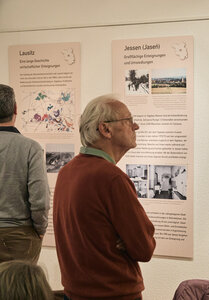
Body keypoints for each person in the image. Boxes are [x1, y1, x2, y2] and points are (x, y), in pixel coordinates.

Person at [53, 94, 156, 300]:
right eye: (128, 121)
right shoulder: (111, 178)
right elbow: (144, 247)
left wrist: (124, 239)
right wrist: (124, 240)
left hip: (75, 293)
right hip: (113, 293)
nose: (136, 127)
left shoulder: (67, 171)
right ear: (105, 129)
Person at [0, 84, 50, 264]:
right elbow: (40, 199)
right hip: (20, 237)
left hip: (19, 236)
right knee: (19, 291)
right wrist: (40, 229)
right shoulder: (30, 148)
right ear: (15, 109)